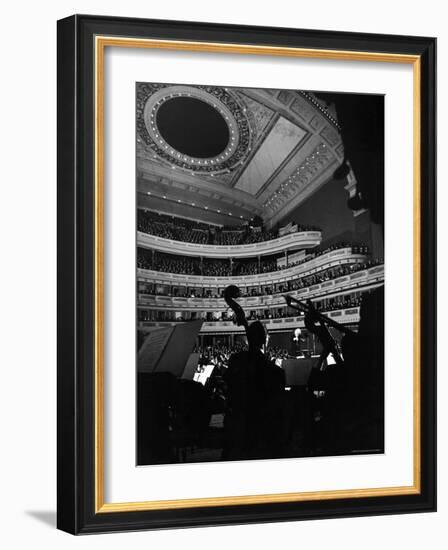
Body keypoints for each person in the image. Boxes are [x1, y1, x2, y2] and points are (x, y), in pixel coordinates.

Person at [223, 321, 286, 460]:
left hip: (235, 425)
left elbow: (228, 385)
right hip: (260, 431)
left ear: (247, 338)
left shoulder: (235, 360)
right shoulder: (275, 371)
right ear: (265, 339)